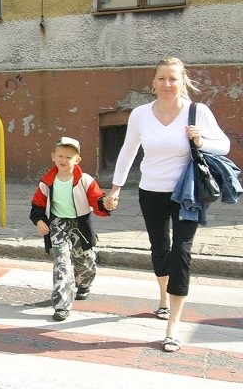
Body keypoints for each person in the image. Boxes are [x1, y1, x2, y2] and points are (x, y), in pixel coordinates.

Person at [107, 57, 229, 353]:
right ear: (153, 83)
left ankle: (173, 323)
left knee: (181, 250)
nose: (167, 84)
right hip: (151, 191)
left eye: (173, 78)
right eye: (161, 78)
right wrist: (115, 188)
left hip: (186, 193)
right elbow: (128, 150)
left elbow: (223, 145)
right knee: (160, 248)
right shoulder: (140, 114)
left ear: (182, 80)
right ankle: (163, 298)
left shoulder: (196, 112)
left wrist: (201, 142)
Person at [30, 136, 112, 321]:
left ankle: (84, 284)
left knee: (84, 258)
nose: (63, 160)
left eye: (69, 157)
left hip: (80, 223)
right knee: (62, 262)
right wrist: (39, 221)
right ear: (53, 156)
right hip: (58, 223)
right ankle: (62, 305)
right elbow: (37, 205)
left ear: (77, 160)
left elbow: (97, 200)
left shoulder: (85, 180)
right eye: (60, 155)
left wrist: (105, 204)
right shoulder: (47, 182)